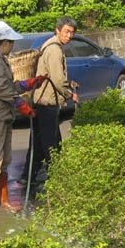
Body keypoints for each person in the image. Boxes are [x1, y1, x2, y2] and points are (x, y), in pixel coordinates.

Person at [0, 20, 40, 209]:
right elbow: (1, 88)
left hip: (2, 116)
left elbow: (9, 85)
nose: (12, 46)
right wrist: (21, 105)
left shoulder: (0, 59)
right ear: (4, 42)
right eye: (10, 42)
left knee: (4, 160)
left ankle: (2, 201)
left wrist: (28, 83)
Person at [23, 16, 79, 191]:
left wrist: (68, 83)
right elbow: (56, 79)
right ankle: (57, 178)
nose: (69, 35)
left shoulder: (50, 45)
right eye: (66, 32)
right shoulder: (54, 49)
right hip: (47, 101)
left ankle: (27, 177)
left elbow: (53, 76)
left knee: (39, 143)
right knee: (51, 143)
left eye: (72, 32)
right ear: (58, 30)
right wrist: (70, 94)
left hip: (41, 100)